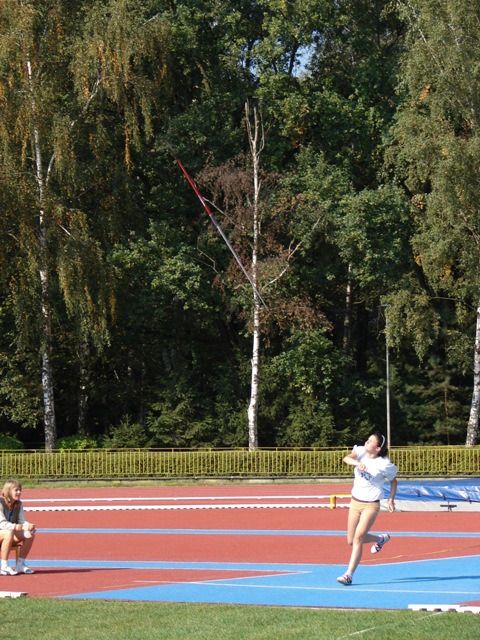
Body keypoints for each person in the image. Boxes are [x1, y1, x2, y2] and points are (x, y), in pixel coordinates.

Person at [336, 432, 398, 586]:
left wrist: (391, 499)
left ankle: (348, 574)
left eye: (370, 441)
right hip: (355, 502)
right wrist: (357, 464)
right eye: (367, 440)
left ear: (377, 448)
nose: (366, 442)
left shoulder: (384, 464)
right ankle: (380, 539)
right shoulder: (361, 451)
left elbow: (394, 481)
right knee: (351, 540)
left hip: (371, 504)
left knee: (358, 537)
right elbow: (346, 458)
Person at [0, 479, 36, 575]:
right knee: (8, 532)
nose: (19, 492)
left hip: (9, 534)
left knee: (30, 534)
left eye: (20, 490)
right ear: (8, 491)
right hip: (4, 533)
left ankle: (20, 564)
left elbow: (22, 521)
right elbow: (2, 524)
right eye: (16, 490)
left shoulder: (18, 504)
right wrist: (19, 527)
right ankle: (4, 566)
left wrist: (28, 526)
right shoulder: (0, 502)